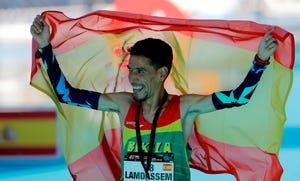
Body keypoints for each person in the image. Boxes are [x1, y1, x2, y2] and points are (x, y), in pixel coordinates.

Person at [31, 15, 278, 181]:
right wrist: (45, 46)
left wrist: (261, 61)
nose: (133, 78)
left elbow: (238, 98)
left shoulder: (185, 108)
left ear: (162, 73)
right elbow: (66, 95)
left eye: (140, 71)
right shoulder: (123, 104)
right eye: (130, 70)